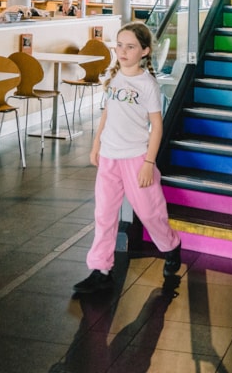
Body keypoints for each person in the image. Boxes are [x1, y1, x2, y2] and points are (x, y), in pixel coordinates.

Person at [74, 22, 182, 294]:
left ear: (145, 51)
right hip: (109, 157)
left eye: (130, 46)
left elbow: (156, 126)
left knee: (149, 212)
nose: (123, 51)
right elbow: (108, 113)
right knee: (104, 214)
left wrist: (148, 163)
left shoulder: (147, 84)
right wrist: (97, 142)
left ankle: (171, 246)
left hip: (136, 159)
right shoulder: (114, 78)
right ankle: (100, 268)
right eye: (119, 45)